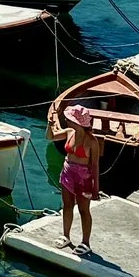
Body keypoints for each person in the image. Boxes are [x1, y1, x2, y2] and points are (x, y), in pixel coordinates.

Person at [54, 104, 103, 253]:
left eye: (70, 119)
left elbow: (95, 166)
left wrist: (95, 189)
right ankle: (66, 235)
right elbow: (50, 137)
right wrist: (50, 124)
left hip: (84, 178)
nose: (67, 121)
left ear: (78, 123)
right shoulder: (69, 132)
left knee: (83, 210)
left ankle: (85, 242)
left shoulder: (92, 141)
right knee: (67, 205)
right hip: (68, 173)